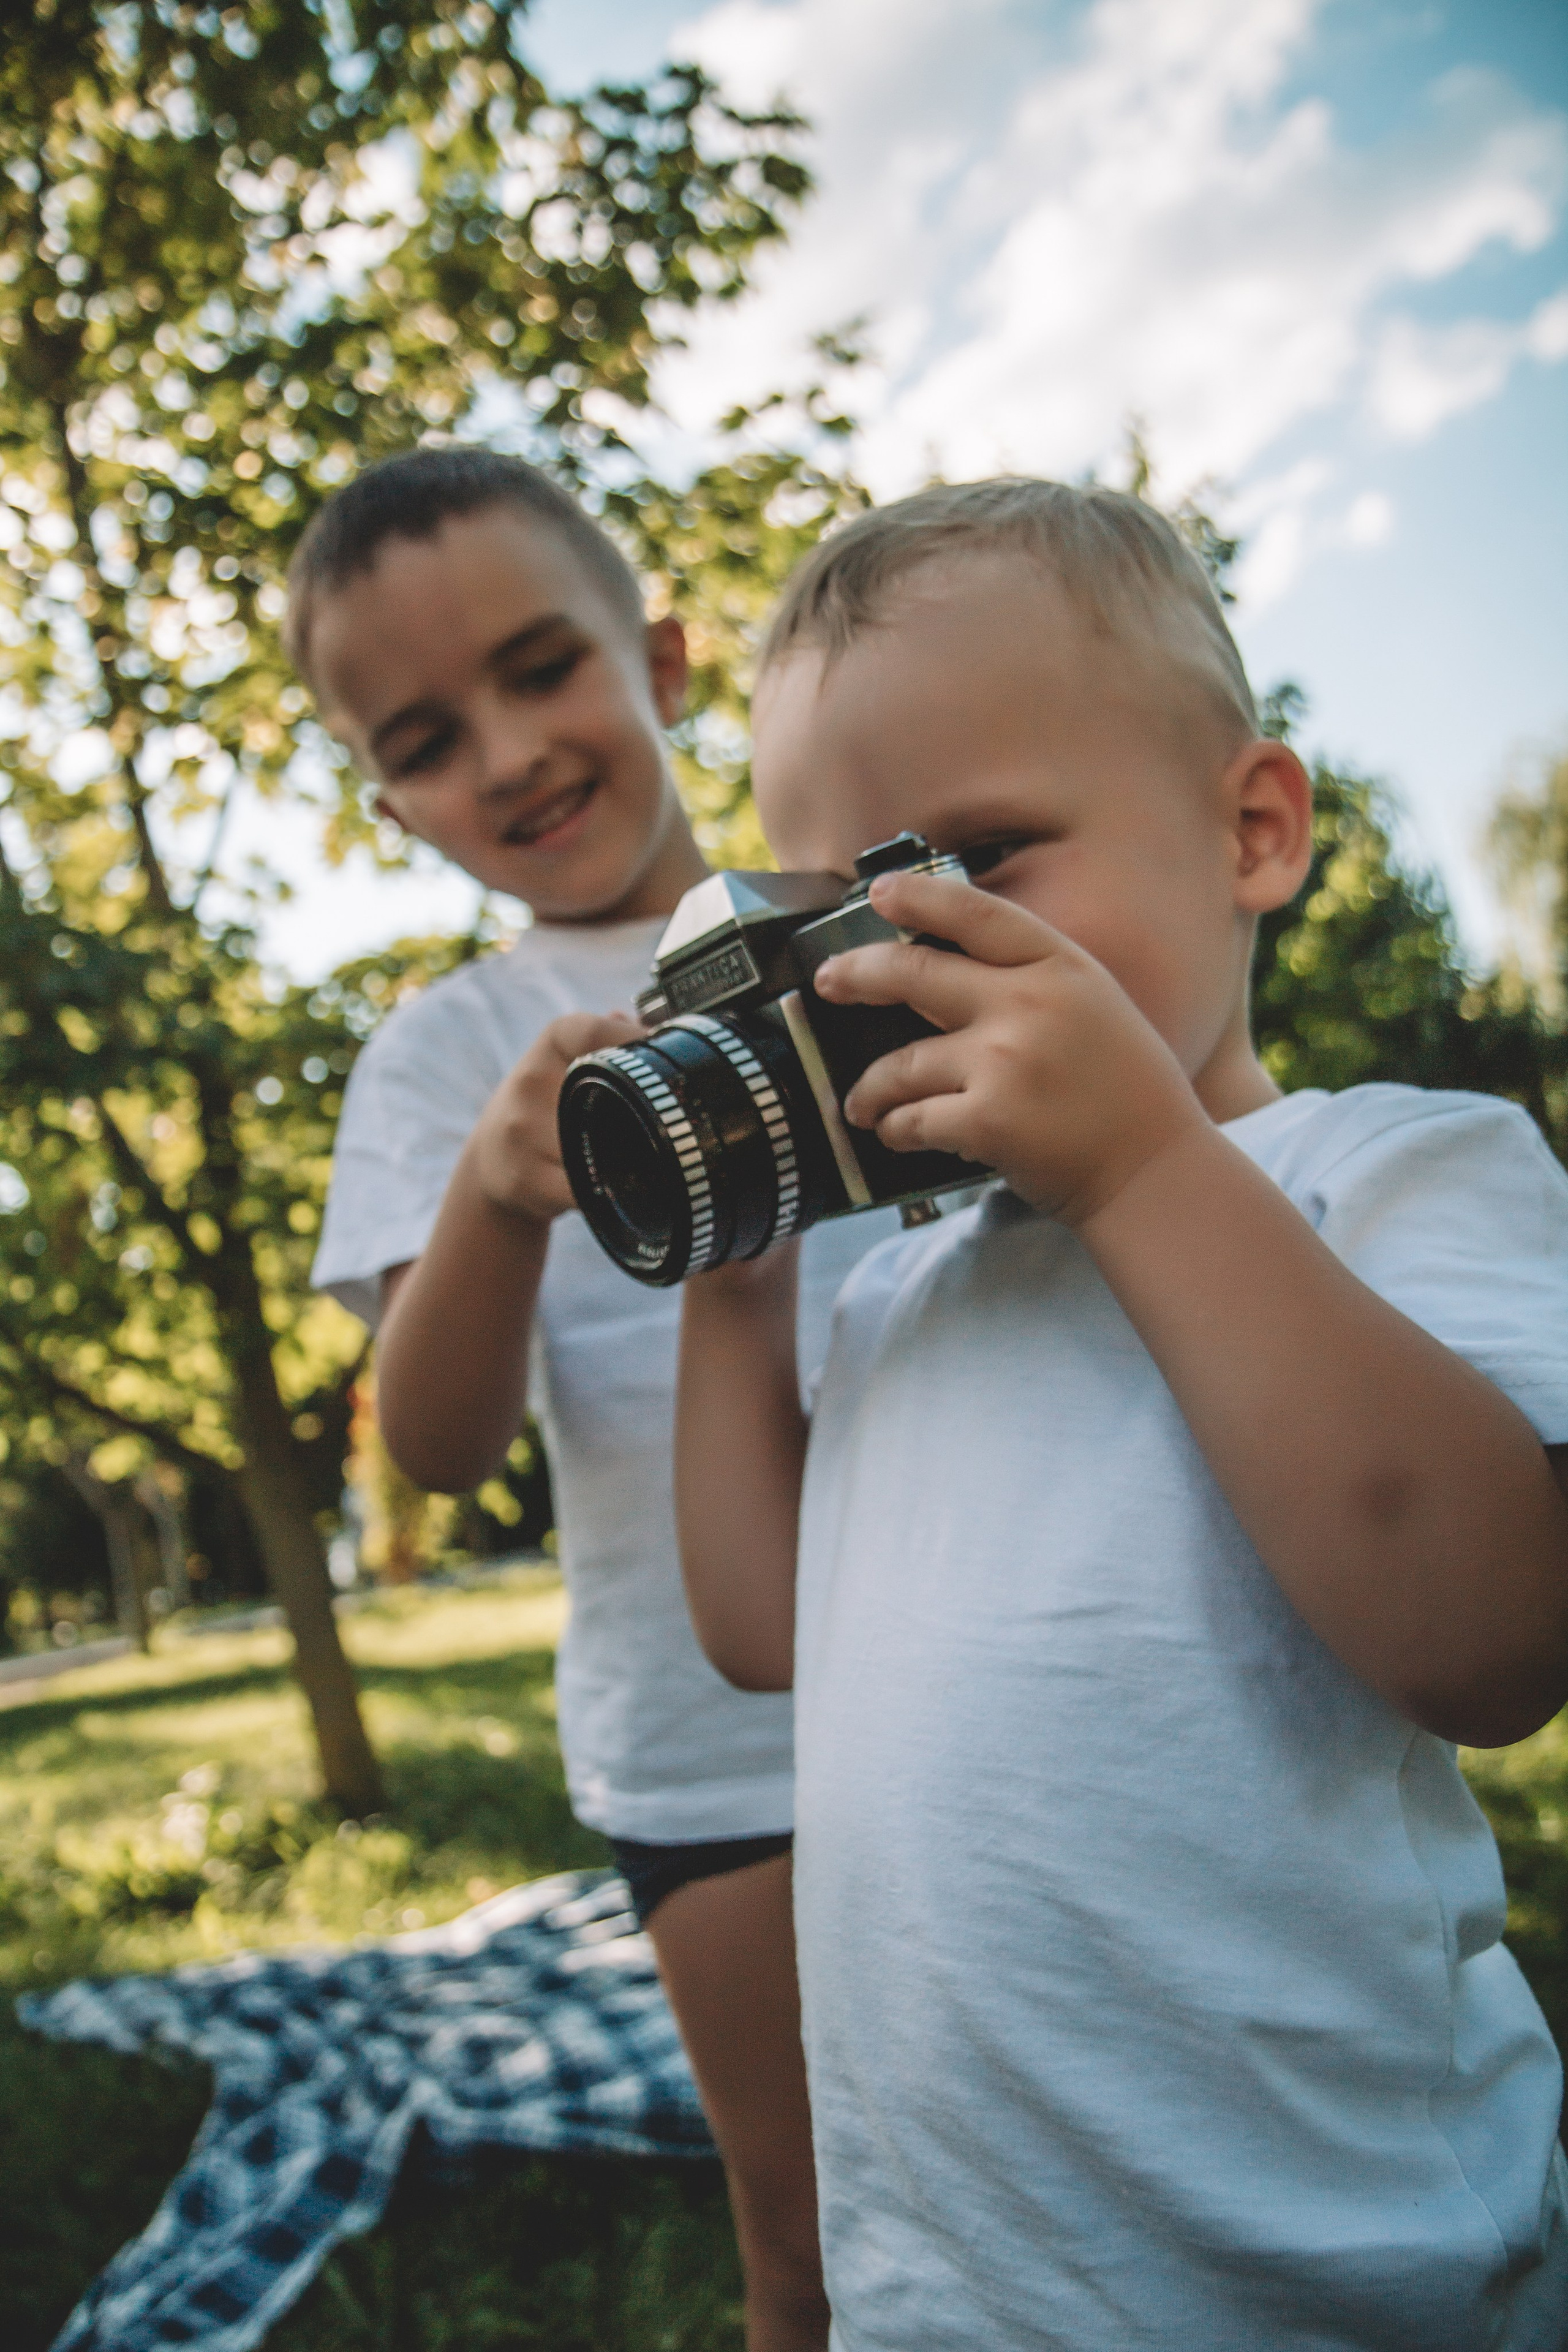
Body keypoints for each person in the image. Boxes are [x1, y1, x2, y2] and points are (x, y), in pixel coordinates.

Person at [673, 478, 1568, 2351]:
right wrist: (740, 1272)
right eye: (828, 933)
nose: (883, 976)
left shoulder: (1384, 1176)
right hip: (962, 2280)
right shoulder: (908, 1283)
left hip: (1335, 2272)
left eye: (975, 867)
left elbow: (1497, 1639)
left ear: (1252, 830)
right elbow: (764, 1629)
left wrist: (1143, 1171)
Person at [293, 447, 894, 2352]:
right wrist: (489, 1191)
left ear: (665, 654)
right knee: (808, 2235)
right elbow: (439, 1446)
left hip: (995, 1648)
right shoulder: (440, 1057)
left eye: (545, 667)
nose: (511, 752)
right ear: (388, 798)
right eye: (427, 734)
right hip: (706, 1743)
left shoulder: (856, 910)